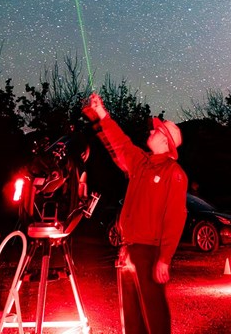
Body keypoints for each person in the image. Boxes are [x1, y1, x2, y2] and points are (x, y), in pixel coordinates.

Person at [83, 93, 188, 333]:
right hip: (128, 246)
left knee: (153, 311)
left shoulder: (174, 172)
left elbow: (175, 216)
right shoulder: (141, 162)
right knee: (130, 315)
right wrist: (101, 113)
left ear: (165, 142)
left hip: (150, 250)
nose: (150, 133)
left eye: (156, 132)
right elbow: (120, 143)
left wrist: (165, 258)